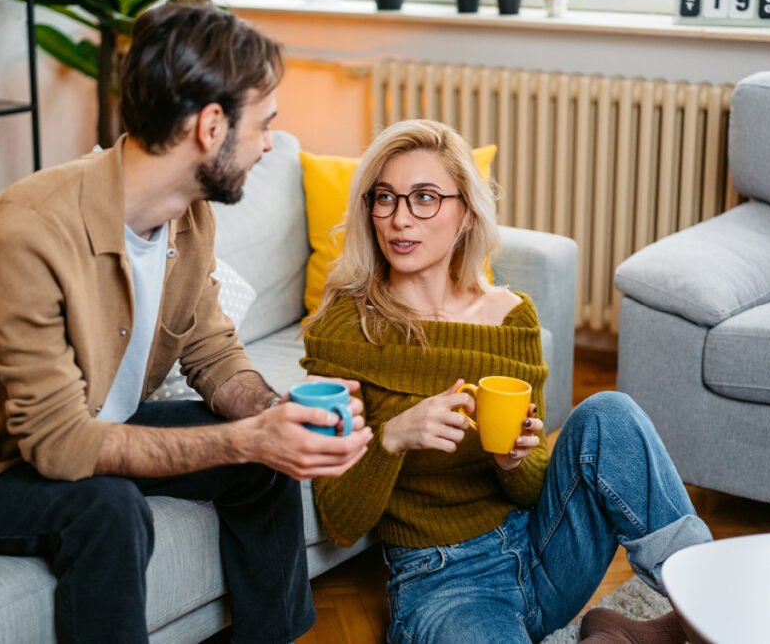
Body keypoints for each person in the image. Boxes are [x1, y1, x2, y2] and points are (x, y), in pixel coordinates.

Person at [0, 0, 373, 644]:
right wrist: (246, 437)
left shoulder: (188, 213)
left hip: (91, 425)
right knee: (109, 509)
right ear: (212, 126)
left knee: (262, 457)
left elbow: (212, 350)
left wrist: (274, 415)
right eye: (265, 123)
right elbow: (56, 444)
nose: (271, 143)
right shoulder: (29, 232)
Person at [300, 119, 712, 644]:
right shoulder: (345, 329)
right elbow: (339, 520)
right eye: (385, 198)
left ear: (466, 213)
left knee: (610, 413)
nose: (400, 219)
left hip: (542, 549)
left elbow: (535, 481)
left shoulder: (511, 317)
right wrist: (392, 437)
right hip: (444, 583)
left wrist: (513, 460)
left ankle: (705, 597)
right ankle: (621, 637)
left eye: (425, 197)